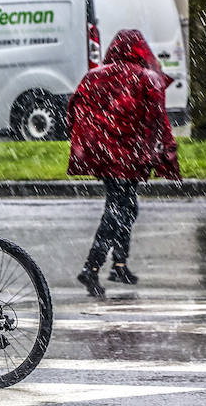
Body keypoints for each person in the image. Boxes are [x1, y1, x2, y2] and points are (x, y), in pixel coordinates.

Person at [67, 29, 181, 298]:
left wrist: (90, 142)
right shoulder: (145, 78)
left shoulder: (95, 77)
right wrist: (166, 153)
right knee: (118, 210)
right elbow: (158, 120)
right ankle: (92, 268)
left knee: (126, 207)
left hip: (106, 154)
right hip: (127, 156)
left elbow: (74, 109)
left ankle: (119, 264)